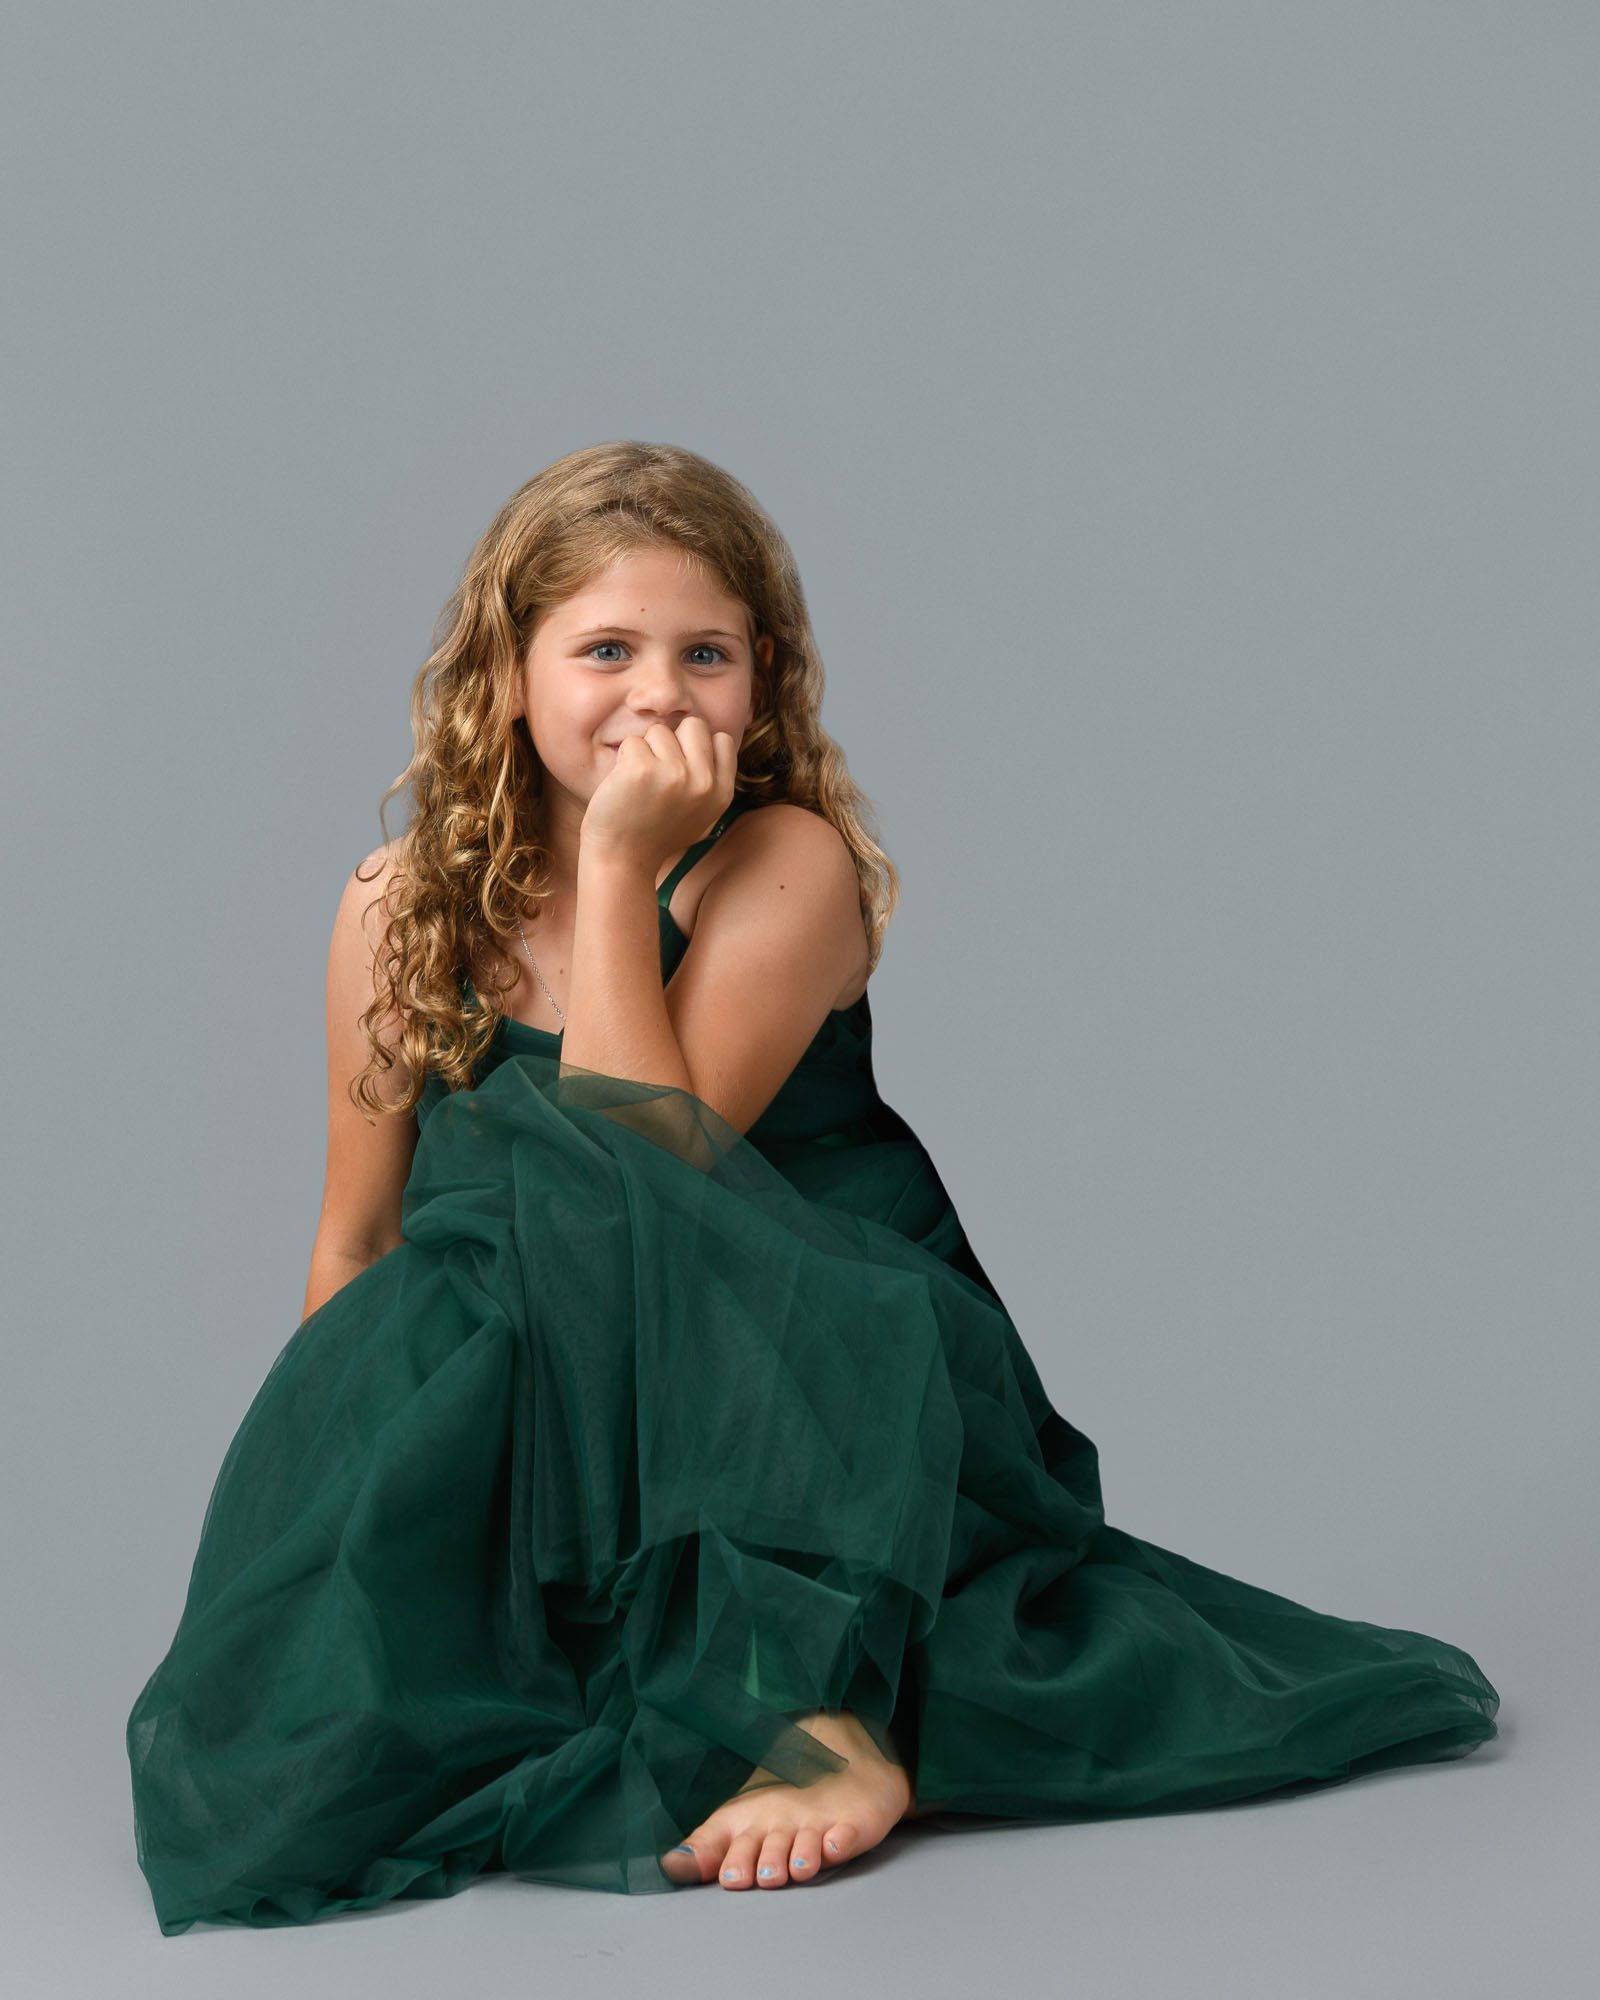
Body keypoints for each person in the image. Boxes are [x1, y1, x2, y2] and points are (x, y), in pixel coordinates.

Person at [125, 441, 1500, 1934]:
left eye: (703, 654)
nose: (658, 693)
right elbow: (358, 1234)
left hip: (793, 1362)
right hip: (560, 1367)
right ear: (508, 678)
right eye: (605, 650)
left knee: (648, 1277)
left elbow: (644, 1175)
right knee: (334, 1691)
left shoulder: (782, 861)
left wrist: (615, 863)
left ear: (760, 681)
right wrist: (322, 1544)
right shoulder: (398, 906)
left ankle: (823, 1714)